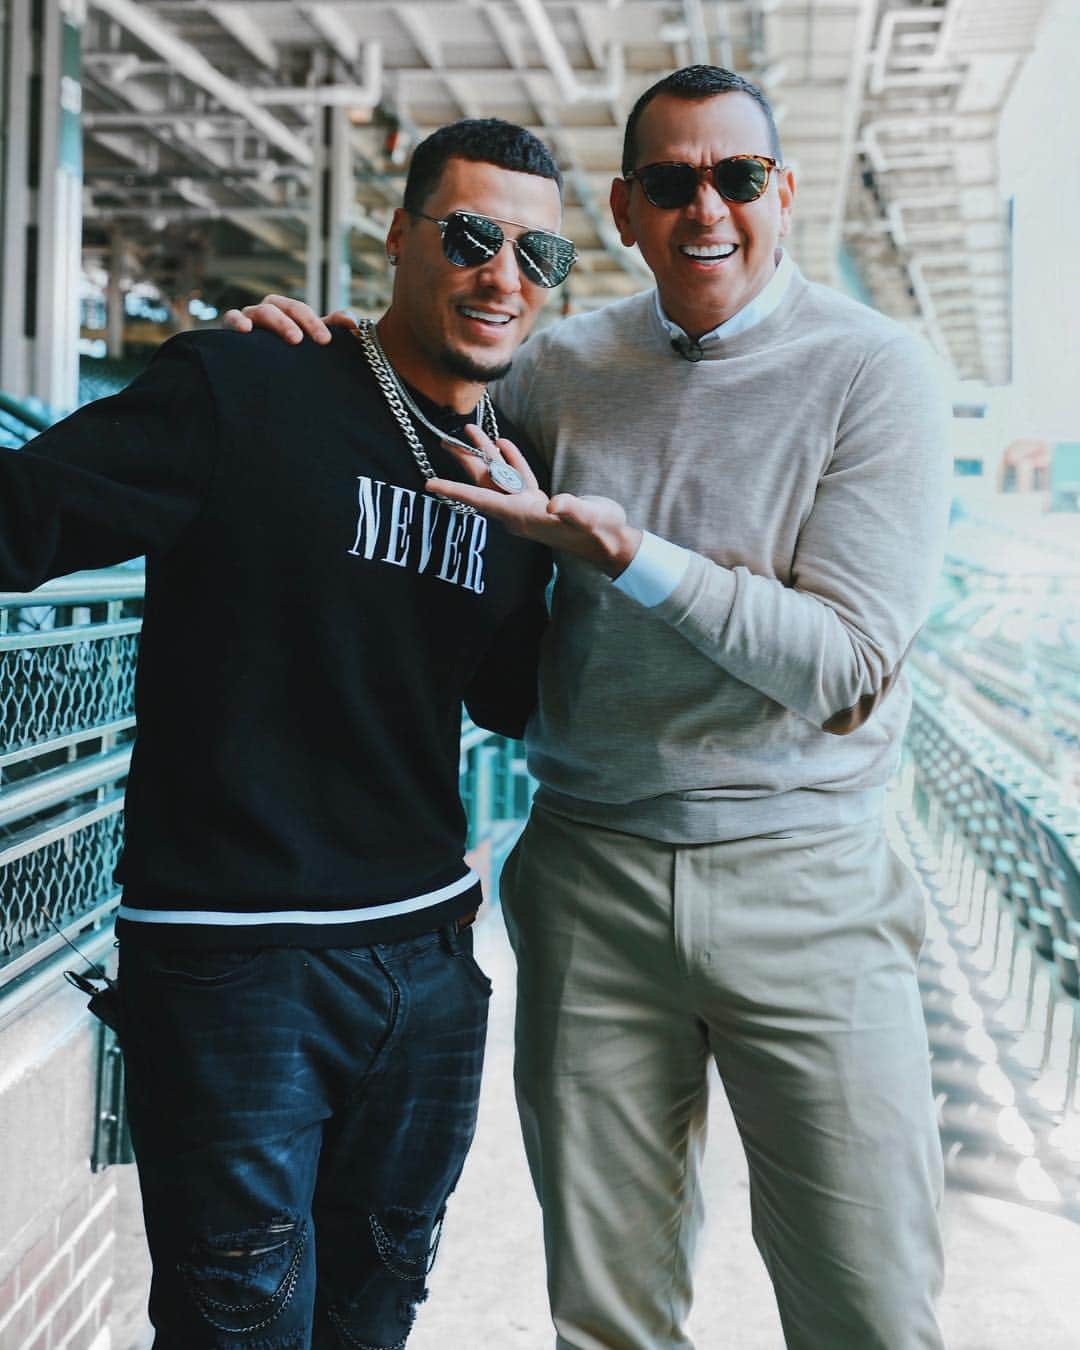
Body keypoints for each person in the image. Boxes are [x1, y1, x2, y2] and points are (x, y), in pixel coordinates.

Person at [229, 65, 952, 1350]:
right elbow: (405, 411)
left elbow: (844, 664)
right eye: (670, 183)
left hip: (812, 888)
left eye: (737, 177)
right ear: (623, 210)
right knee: (609, 1321)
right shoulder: (559, 371)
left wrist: (633, 557)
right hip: (590, 880)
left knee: (872, 1311)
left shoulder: (874, 372)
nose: (706, 209)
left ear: (782, 192)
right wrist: (295, 351)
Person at [0, 118, 570, 1348]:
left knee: (374, 1319)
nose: (503, 275)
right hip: (235, 961)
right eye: (472, 235)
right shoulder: (249, 382)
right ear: (400, 235)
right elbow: (23, 517)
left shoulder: (509, 475)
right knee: (238, 1331)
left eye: (540, 254)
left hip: (423, 961)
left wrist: (565, 553)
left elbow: (509, 706)